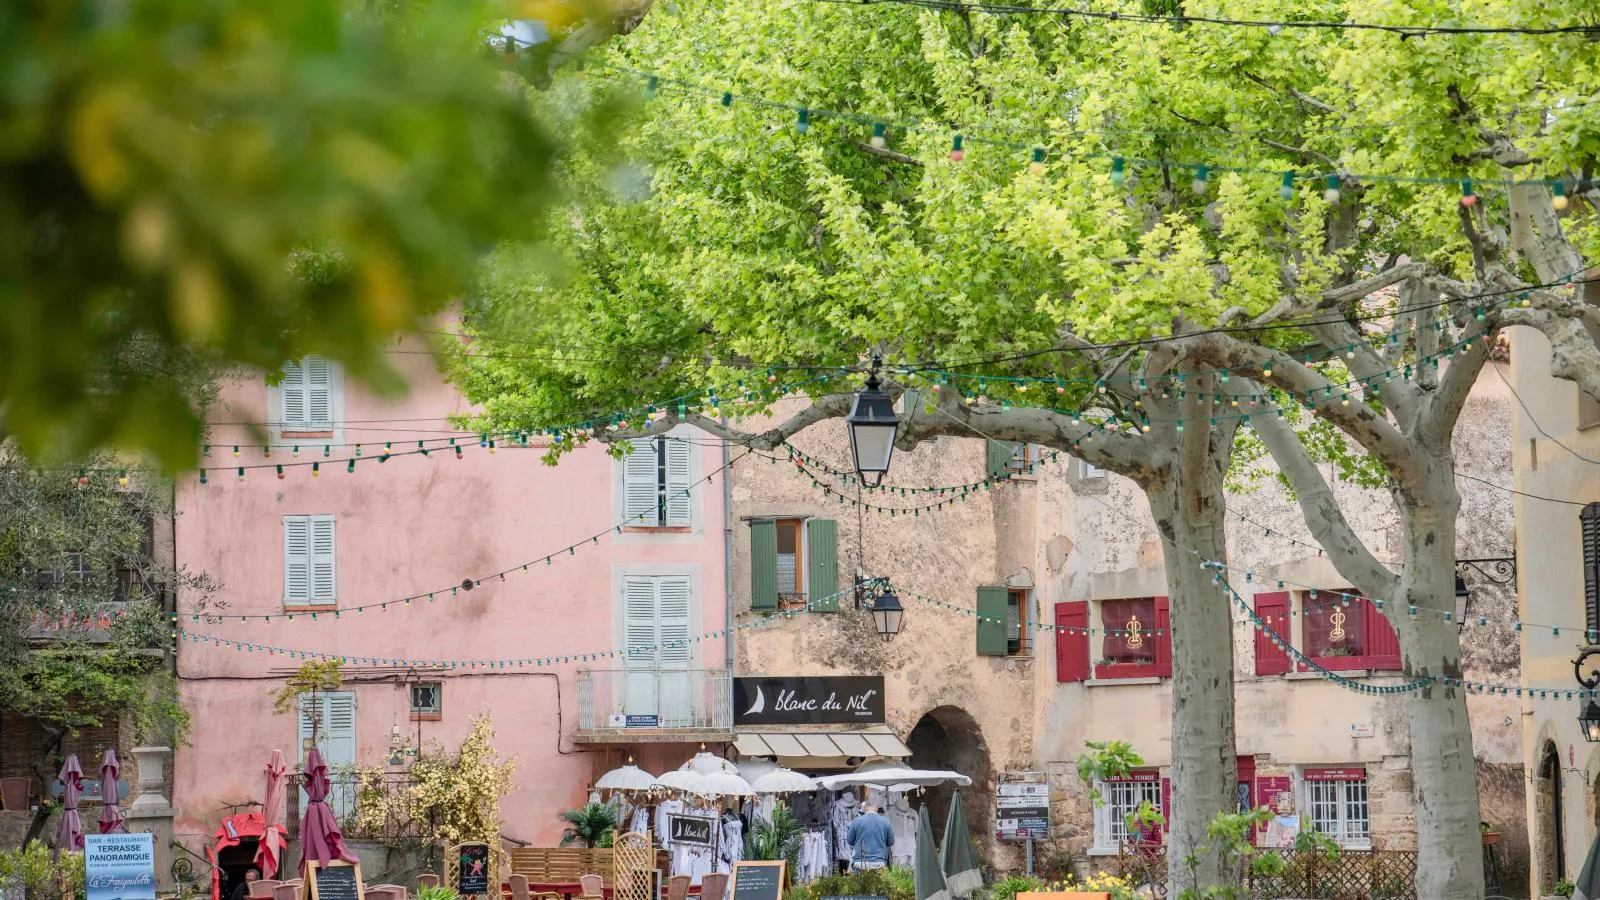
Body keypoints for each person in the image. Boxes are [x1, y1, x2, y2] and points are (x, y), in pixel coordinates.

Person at [845, 803, 894, 872]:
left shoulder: (856, 821)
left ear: (864, 808)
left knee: (858, 882)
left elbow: (849, 840)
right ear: (877, 809)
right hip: (879, 861)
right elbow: (891, 842)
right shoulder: (885, 821)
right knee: (878, 883)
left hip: (860, 861)